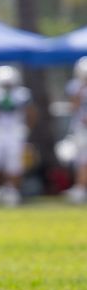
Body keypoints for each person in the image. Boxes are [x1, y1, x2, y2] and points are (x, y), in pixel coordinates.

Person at [0, 65, 33, 206]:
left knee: (14, 164)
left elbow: (30, 113)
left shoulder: (22, 94)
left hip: (15, 131)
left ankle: (12, 191)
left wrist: (27, 127)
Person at [64, 57, 87, 204]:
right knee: (81, 160)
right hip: (81, 129)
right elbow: (73, 107)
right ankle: (80, 187)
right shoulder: (75, 86)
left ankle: (80, 188)